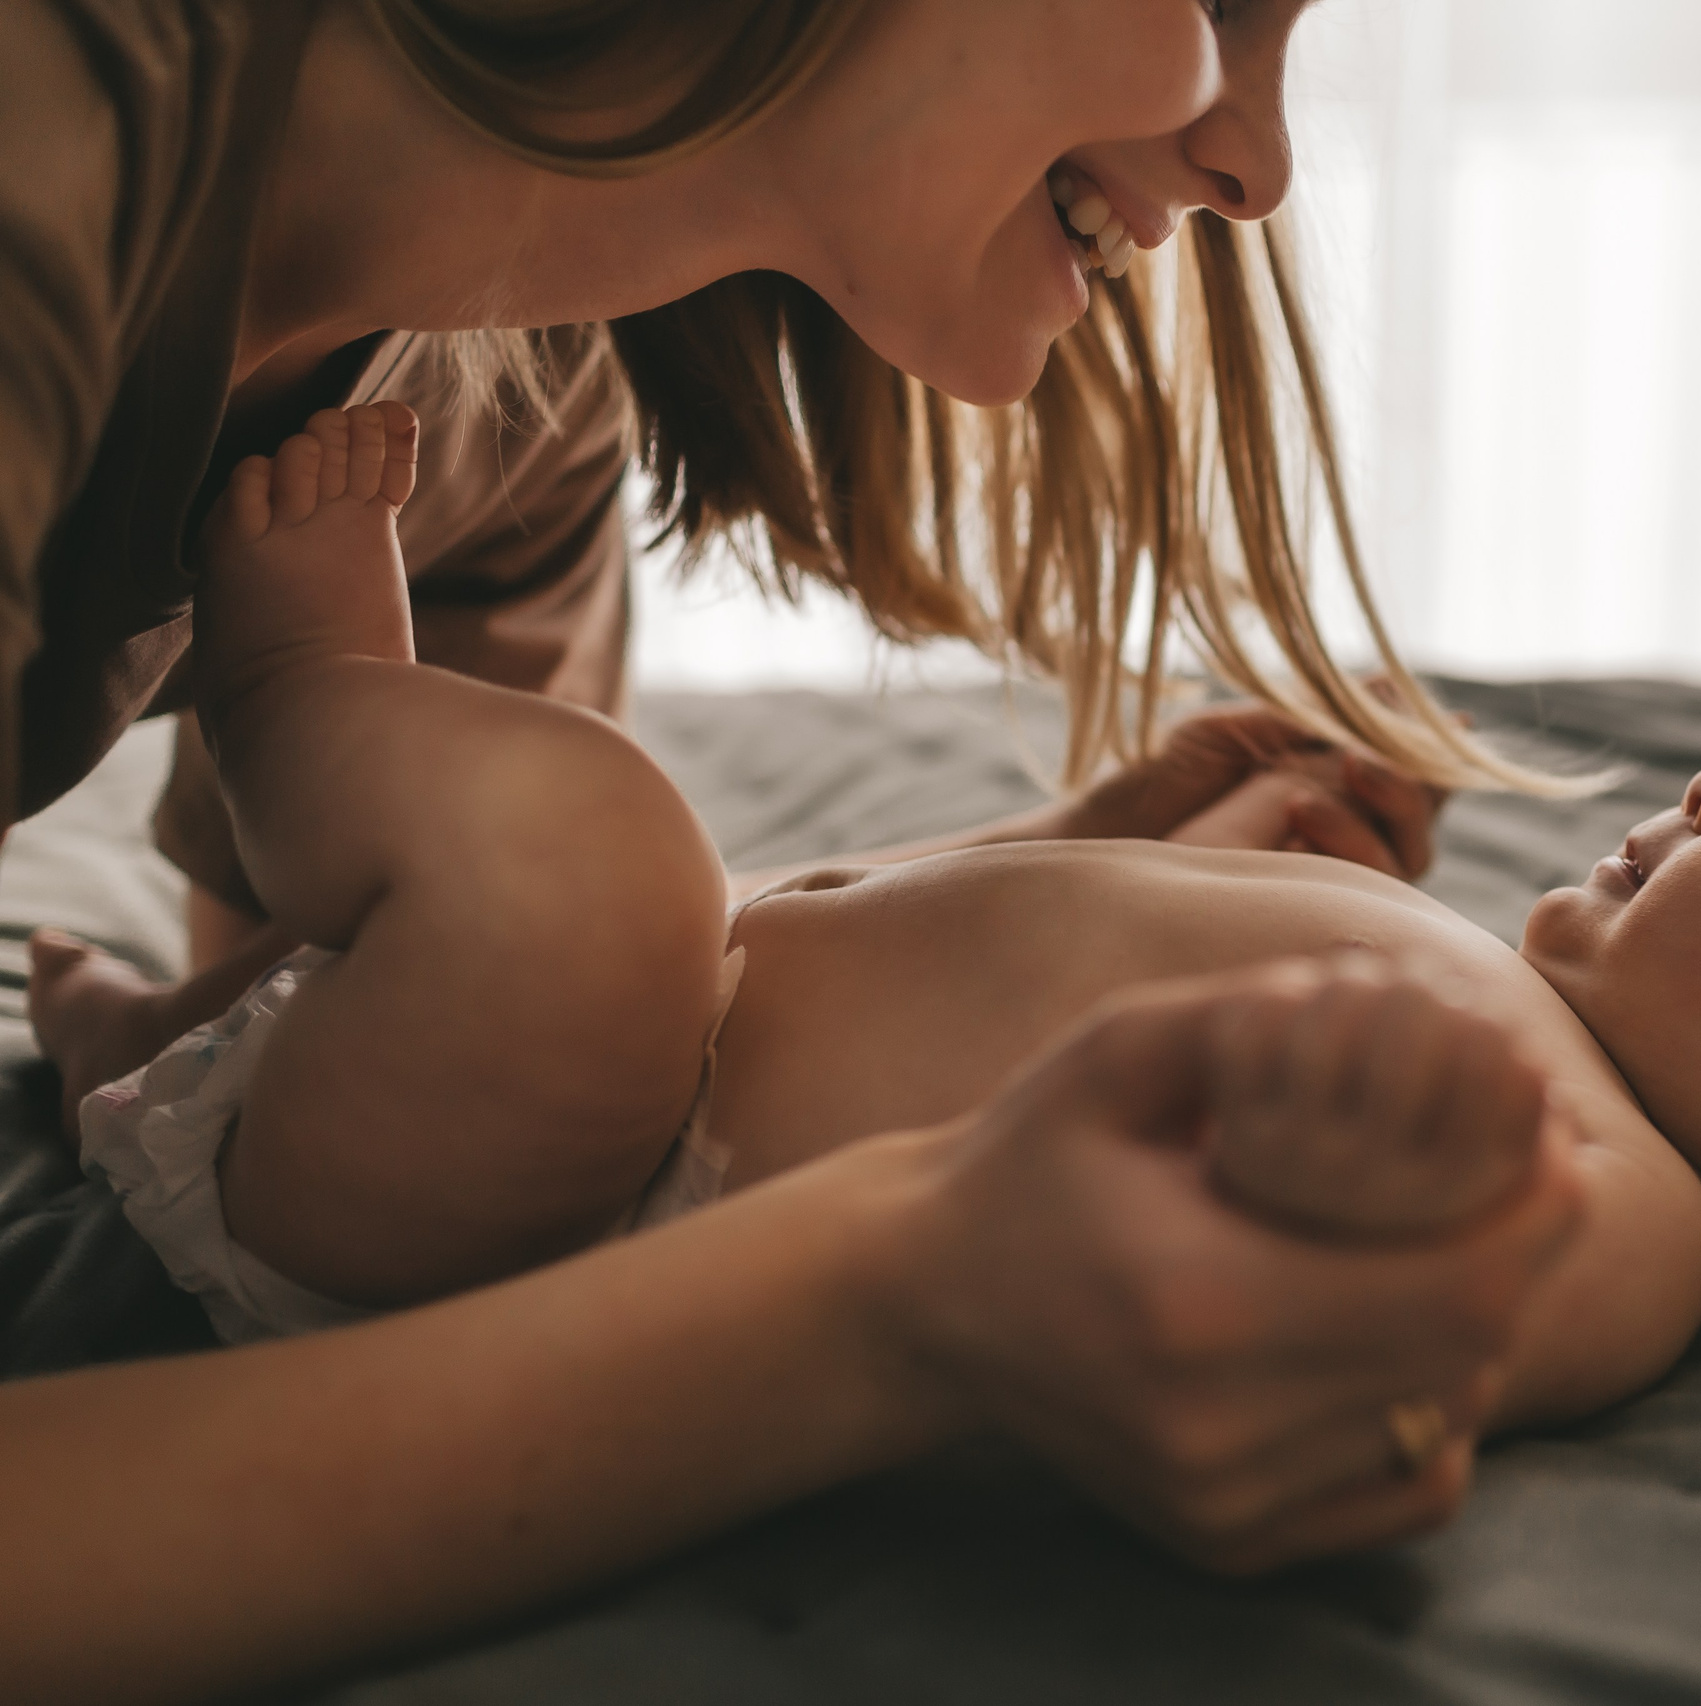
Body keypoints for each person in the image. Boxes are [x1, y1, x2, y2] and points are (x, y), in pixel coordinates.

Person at [1, 3, 1588, 1700]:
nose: (1258, 169)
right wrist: (896, 1296)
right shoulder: (48, 147)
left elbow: (373, 1043)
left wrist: (1043, 871)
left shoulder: (501, 402)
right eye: (1217, 6)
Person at [41, 403, 1701, 1417]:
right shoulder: (1509, 1014)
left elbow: (1340, 1314)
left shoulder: (1620, 1223)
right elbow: (943, 966)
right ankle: (169, 1037)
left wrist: (1334, 1173)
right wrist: (1127, 832)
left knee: (601, 868)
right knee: (650, 903)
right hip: (508, 1096)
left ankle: (293, 690)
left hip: (528, 1222)